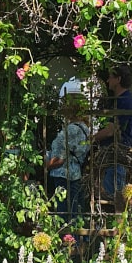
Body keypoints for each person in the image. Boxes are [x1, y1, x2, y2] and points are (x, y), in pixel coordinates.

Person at [92, 63, 132, 198]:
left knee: (113, 195)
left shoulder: (125, 101)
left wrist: (92, 138)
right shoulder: (118, 99)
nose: (107, 80)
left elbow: (111, 130)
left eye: (111, 77)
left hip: (118, 153)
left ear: (118, 79)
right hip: (112, 153)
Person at [45, 93, 90, 221]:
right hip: (75, 173)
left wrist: (45, 165)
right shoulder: (84, 128)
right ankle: (73, 239)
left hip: (64, 175)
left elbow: (59, 159)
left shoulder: (71, 129)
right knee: (73, 212)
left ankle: (67, 240)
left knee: (64, 214)